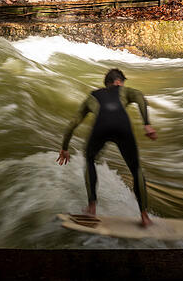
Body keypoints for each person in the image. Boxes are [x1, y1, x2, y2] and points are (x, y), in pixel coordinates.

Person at [56, 69, 157, 227]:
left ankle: (91, 208)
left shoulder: (92, 96)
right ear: (118, 82)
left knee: (89, 159)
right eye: (122, 82)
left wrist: (65, 147)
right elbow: (139, 97)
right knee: (136, 169)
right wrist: (147, 123)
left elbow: (73, 123)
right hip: (122, 127)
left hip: (100, 128)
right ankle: (145, 217)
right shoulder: (124, 90)